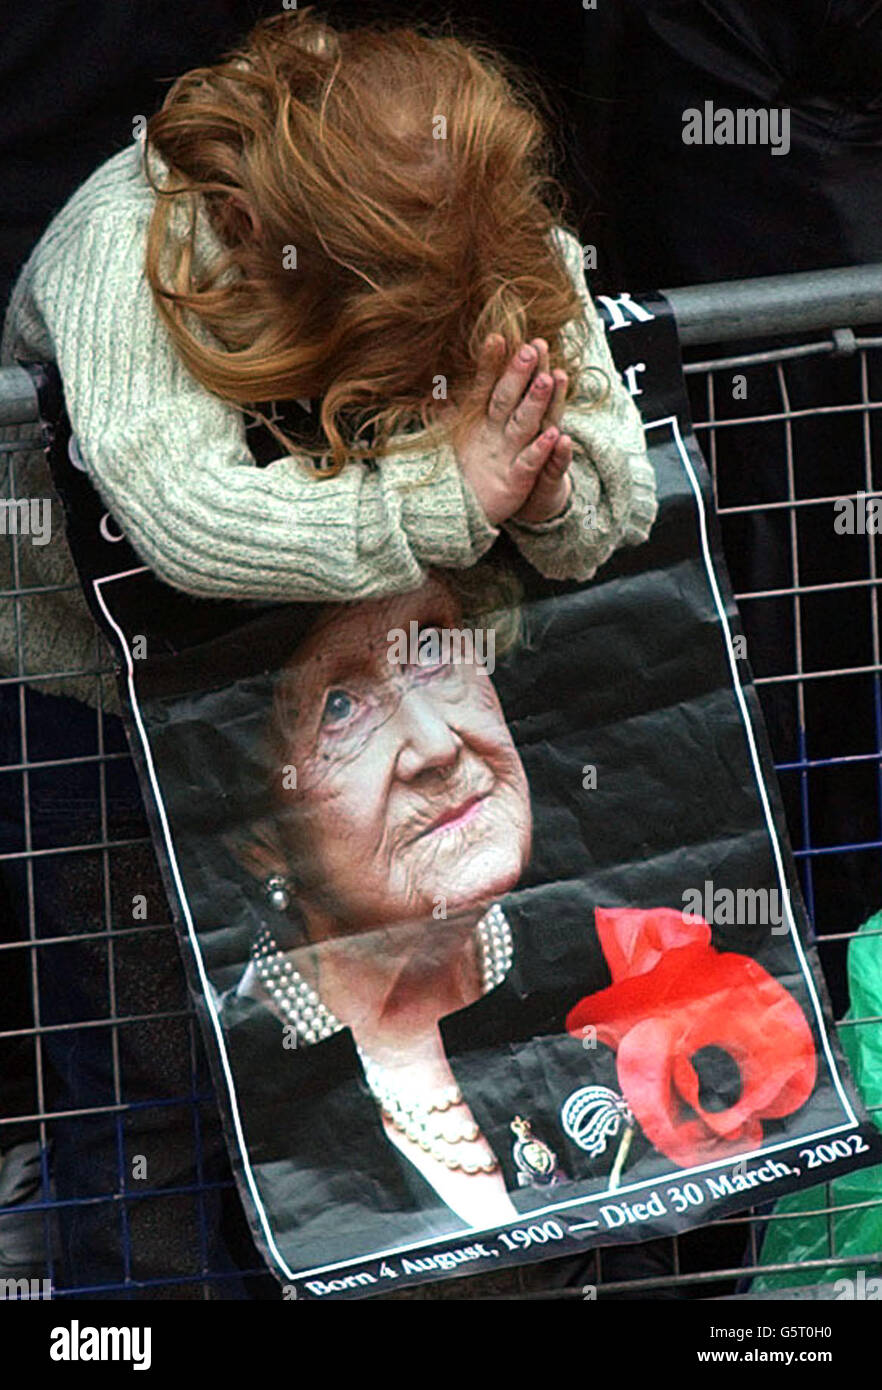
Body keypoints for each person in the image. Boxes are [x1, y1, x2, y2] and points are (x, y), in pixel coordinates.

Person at [0, 7, 657, 1292]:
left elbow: (617, 493)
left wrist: (539, 495)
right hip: (103, 703)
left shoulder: (482, 208)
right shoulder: (132, 237)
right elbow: (185, 522)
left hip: (379, 679)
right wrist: (447, 493)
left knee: (449, 1049)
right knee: (154, 1092)